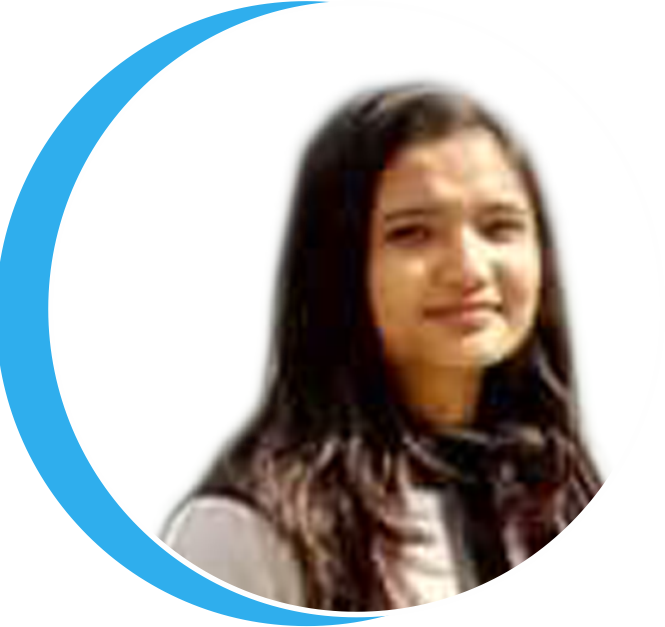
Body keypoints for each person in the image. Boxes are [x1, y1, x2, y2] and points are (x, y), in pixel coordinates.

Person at [163, 84, 602, 611]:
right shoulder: (247, 531)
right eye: (413, 233)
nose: (468, 269)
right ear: (338, 264)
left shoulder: (562, 494)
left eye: (499, 227)